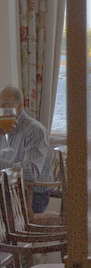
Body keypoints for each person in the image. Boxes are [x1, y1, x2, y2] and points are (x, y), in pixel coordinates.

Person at [0, 85, 53, 213]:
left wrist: (2, 165)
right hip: (8, 190)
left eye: (5, 104)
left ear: (20, 106)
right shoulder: (3, 128)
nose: (2, 109)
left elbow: (31, 171)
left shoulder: (35, 130)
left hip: (32, 196)